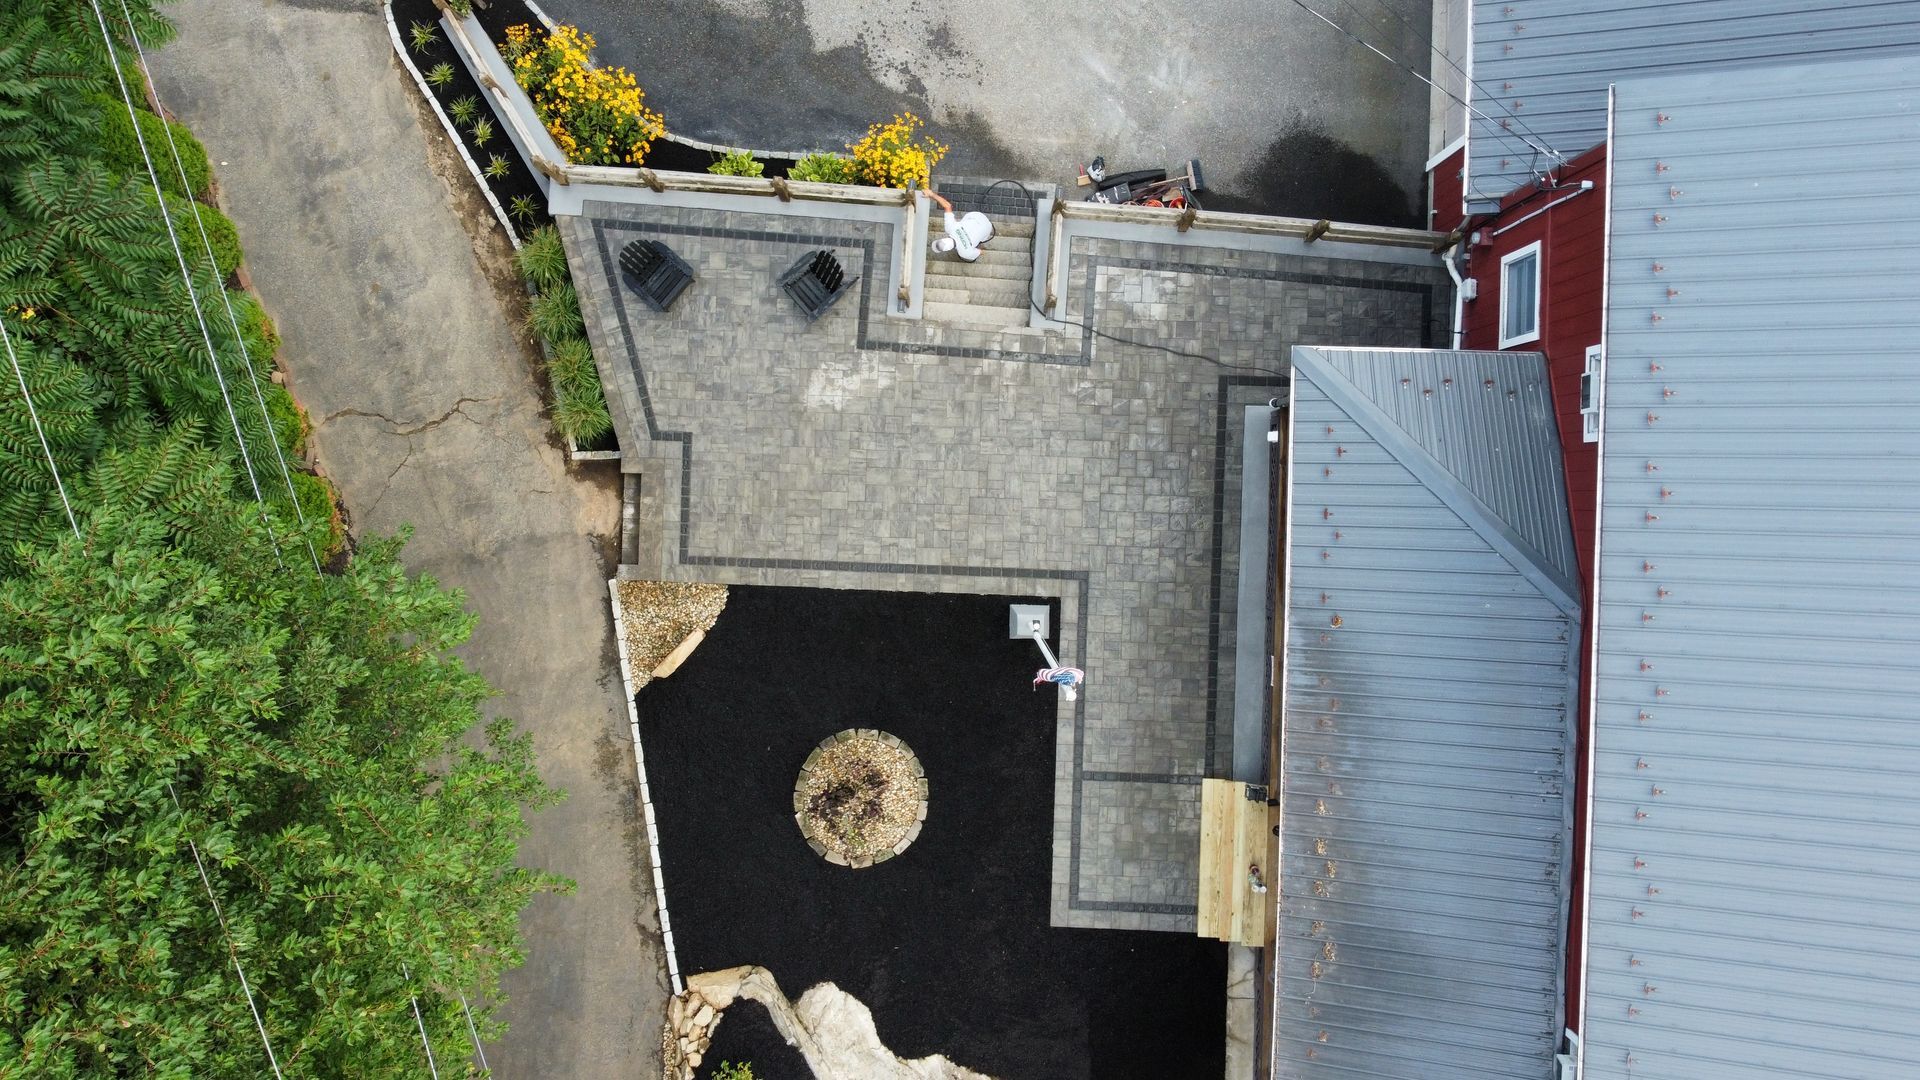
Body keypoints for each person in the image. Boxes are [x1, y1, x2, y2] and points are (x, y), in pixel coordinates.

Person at [928, 192, 994, 262]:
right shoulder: (949, 227)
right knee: (961, 223)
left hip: (987, 228)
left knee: (981, 239)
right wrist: (931, 194)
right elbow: (947, 206)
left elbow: (981, 252)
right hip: (977, 216)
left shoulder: (965, 253)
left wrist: (971, 250)